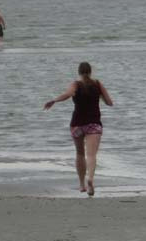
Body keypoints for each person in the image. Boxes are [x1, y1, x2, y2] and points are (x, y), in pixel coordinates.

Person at [43, 62, 114, 196]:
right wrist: (99, 96)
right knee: (91, 155)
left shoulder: (75, 84)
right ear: (91, 71)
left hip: (77, 124)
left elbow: (68, 94)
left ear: (79, 72)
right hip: (94, 124)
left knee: (80, 154)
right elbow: (110, 103)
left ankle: (81, 185)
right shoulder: (97, 84)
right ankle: (90, 179)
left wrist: (54, 100)